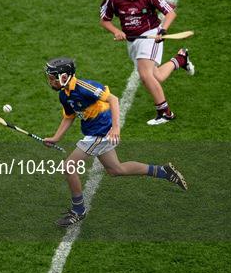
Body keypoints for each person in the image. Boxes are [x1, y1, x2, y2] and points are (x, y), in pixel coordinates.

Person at [43, 57, 188, 227]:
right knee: (115, 169)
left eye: (53, 77)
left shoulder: (84, 87)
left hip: (101, 133)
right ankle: (164, 171)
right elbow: (69, 116)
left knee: (69, 166)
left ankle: (78, 210)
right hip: (93, 133)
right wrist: (56, 137)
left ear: (65, 76)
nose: (50, 80)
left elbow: (113, 99)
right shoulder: (64, 95)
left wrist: (116, 128)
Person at [99, 0, 195, 126]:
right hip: (132, 40)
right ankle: (180, 59)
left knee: (145, 75)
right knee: (155, 76)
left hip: (150, 34)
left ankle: (165, 112)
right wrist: (116, 31)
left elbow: (170, 13)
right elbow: (104, 20)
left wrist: (162, 31)